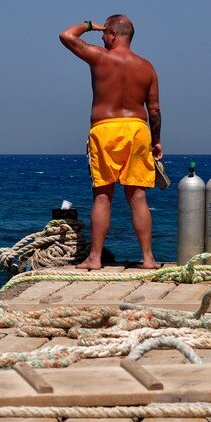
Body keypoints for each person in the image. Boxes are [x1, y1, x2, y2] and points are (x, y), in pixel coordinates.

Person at [59, 15, 162, 269]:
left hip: (105, 128)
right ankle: (148, 258)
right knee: (138, 197)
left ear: (113, 35)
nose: (102, 37)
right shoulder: (147, 67)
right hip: (138, 129)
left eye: (105, 33)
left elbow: (66, 35)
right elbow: (155, 111)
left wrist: (90, 25)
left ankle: (94, 258)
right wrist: (156, 140)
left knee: (103, 197)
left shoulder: (100, 57)